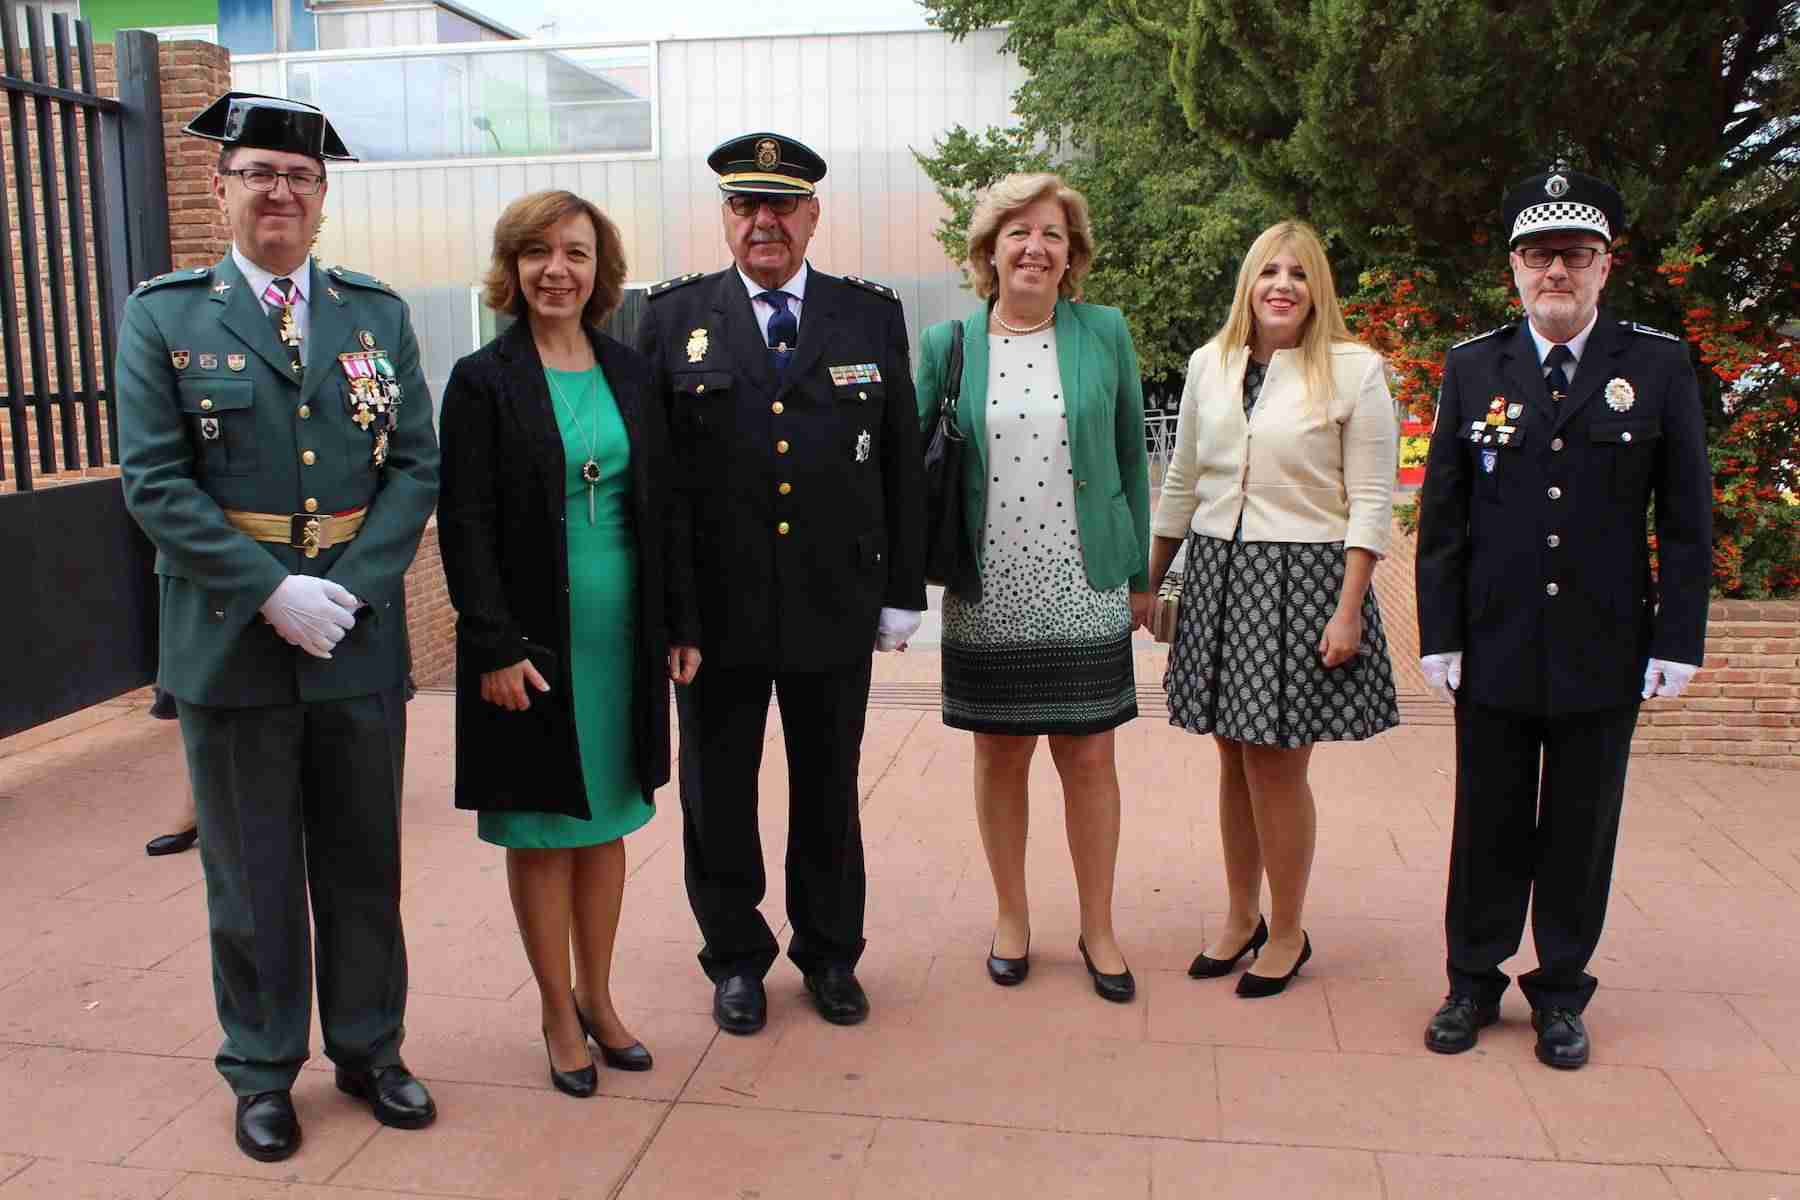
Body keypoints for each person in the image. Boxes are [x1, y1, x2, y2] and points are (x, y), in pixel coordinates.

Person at [115, 92, 440, 1162]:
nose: (280, 193)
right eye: (258, 173)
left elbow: (414, 464)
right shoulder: (164, 315)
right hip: (230, 633)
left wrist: (350, 585)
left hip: (355, 629)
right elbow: (155, 482)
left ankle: (369, 1048)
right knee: (251, 873)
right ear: (222, 189)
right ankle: (261, 1068)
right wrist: (270, 590)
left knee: (362, 862)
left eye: (299, 178)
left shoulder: (374, 312)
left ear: (323, 199)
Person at [1415, 169, 1711, 1068]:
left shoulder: (1655, 364)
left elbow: (1687, 515)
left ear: (1605, 266)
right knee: (1488, 818)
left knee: (1582, 828)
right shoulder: (1475, 366)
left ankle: (1561, 994)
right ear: (1514, 267)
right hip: (1497, 639)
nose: (1556, 272)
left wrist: (1678, 639)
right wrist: (1441, 633)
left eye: (1574, 256)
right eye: (1540, 255)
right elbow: (1446, 516)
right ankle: (1472, 979)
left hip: (1604, 642)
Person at [636, 132, 925, 1035]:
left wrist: (902, 589)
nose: (764, 222)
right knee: (716, 791)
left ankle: (830, 953)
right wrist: (670, 611)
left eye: (782, 205)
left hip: (833, 601)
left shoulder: (869, 315)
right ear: (726, 217)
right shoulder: (668, 316)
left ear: (812, 215)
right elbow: (656, 483)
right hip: (714, 614)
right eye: (744, 206)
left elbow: (901, 465)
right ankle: (734, 957)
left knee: (828, 786)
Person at [438, 190, 692, 1097]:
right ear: (512, 266)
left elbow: (663, 509)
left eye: (577, 253)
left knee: (608, 822)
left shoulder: (631, 371)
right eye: (539, 251)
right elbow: (462, 523)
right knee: (545, 829)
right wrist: (493, 646)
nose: (558, 269)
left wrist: (680, 623)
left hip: (622, 638)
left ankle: (600, 995)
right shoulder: (481, 379)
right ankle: (555, 1011)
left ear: (600, 270)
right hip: (532, 647)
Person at [913, 173, 1150, 1002]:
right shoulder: (949, 345)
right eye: (1017, 233)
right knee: (1000, 750)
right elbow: (916, 473)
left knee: (1089, 754)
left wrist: (1140, 576)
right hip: (989, 584)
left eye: (1051, 234)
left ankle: (1098, 926)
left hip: (1082, 578)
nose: (1035, 248)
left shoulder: (1105, 332)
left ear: (1071, 254)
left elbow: (1129, 455)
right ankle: (1011, 916)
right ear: (989, 250)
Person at [1149, 220, 1400, 999]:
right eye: (1267, 272)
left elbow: (1369, 500)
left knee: (1277, 762)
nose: (1281, 285)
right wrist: (1149, 582)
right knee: (1231, 751)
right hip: (1220, 572)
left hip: (1308, 577)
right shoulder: (1209, 364)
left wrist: (1350, 608)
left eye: (1297, 273)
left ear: (1316, 287)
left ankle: (1288, 929)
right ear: (1248, 286)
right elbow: (1184, 479)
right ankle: (1239, 915)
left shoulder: (1355, 372)